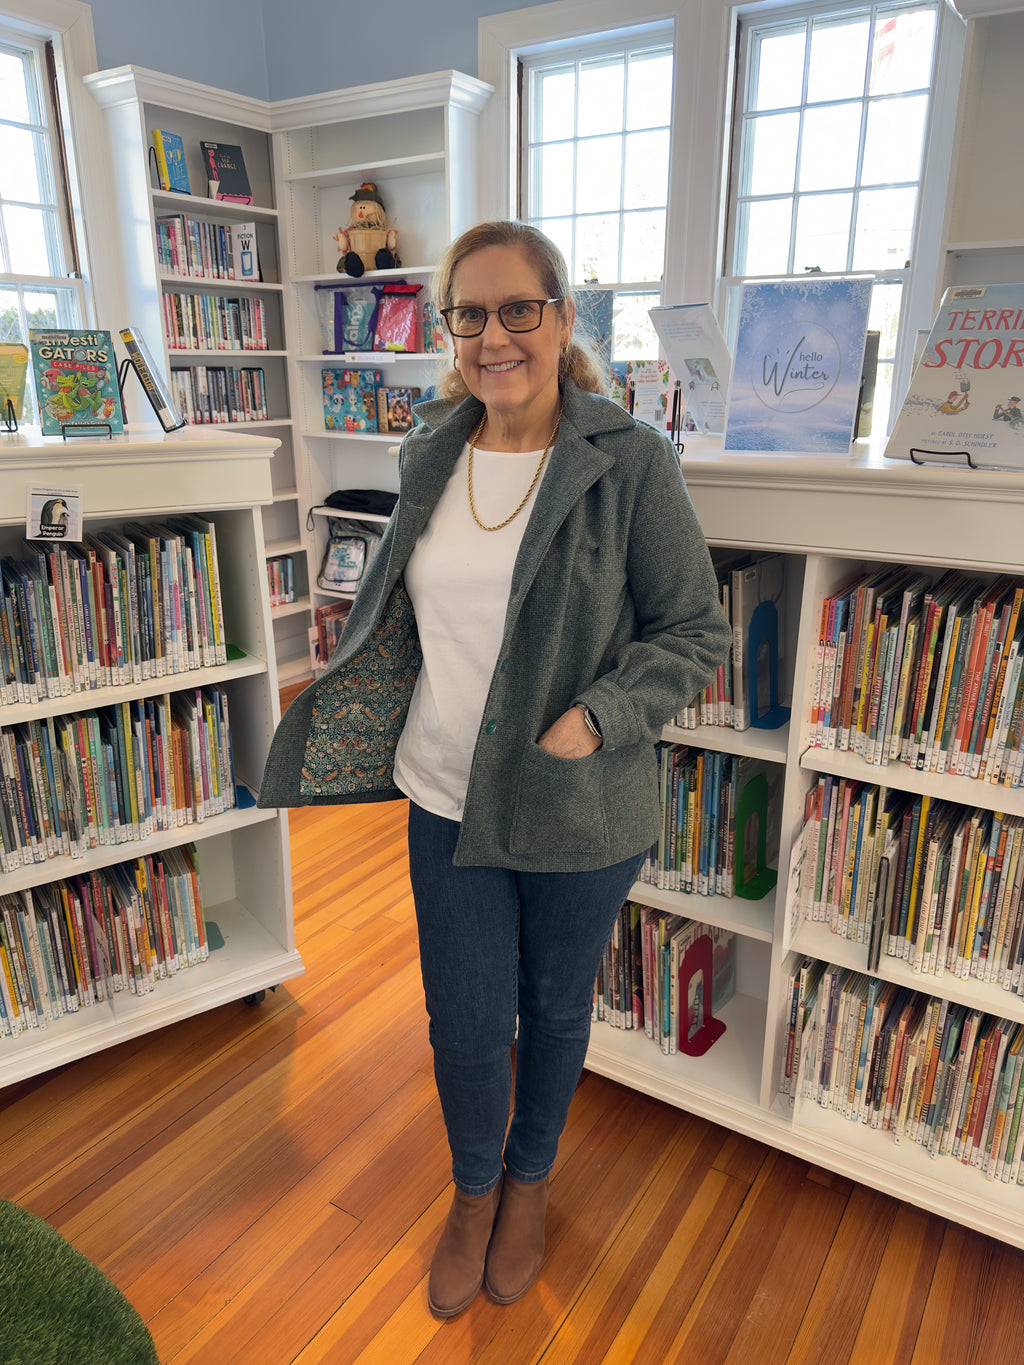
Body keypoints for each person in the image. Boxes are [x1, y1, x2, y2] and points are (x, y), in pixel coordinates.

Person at [258, 220, 731, 1318]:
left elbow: (693, 629)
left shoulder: (626, 461)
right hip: (442, 793)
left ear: (562, 320)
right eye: (469, 315)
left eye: (520, 310)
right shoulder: (430, 445)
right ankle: (473, 1192)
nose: (494, 337)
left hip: (576, 803)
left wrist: (601, 716)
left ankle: (529, 1185)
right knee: (465, 1019)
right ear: (450, 331)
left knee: (555, 1012)